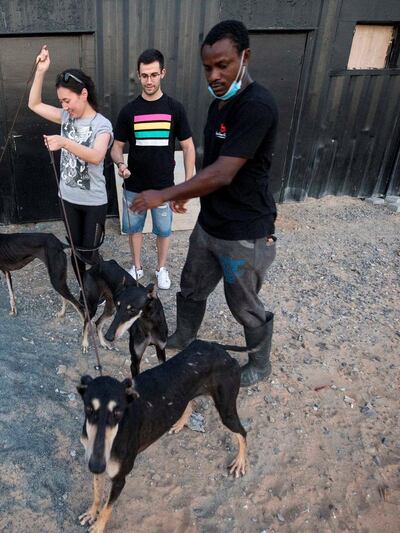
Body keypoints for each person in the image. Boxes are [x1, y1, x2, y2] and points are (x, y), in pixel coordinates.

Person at [131, 20, 278, 387]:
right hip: (210, 224)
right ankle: (185, 334)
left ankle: (260, 365)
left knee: (243, 304)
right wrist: (189, 193)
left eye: (223, 65)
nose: (213, 75)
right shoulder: (218, 107)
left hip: (244, 231)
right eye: (207, 67)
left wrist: (167, 194)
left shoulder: (257, 106)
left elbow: (225, 173)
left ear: (245, 57)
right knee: (191, 285)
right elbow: (211, 165)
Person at [110, 48, 195, 289]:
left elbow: (188, 147)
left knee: (163, 231)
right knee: (134, 229)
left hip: (164, 189)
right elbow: (116, 147)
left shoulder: (175, 109)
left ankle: (161, 269)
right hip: (134, 186)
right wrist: (120, 163)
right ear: (138, 75)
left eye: (154, 75)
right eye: (145, 75)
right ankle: (136, 267)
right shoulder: (129, 111)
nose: (149, 80)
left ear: (163, 74)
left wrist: (188, 184)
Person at [28, 45, 113, 281]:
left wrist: (64, 142)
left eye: (68, 100)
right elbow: (33, 104)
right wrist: (40, 71)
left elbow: (97, 156)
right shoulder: (65, 117)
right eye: (61, 102)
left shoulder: (101, 125)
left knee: (90, 253)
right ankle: (85, 291)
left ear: (83, 94)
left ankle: (102, 288)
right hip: (67, 198)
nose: (64, 106)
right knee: (75, 251)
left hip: (93, 202)